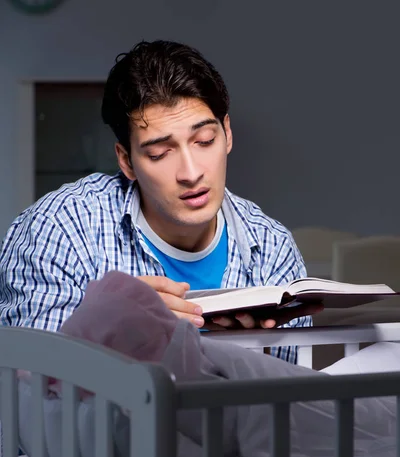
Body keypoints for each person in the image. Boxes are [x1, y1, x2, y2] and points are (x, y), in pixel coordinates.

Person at [0, 40, 321, 363]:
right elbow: (27, 396)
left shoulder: (271, 246)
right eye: (159, 153)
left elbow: (284, 404)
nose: (191, 173)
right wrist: (107, 333)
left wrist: (243, 355)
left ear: (227, 133)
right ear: (126, 161)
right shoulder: (61, 229)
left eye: (204, 141)